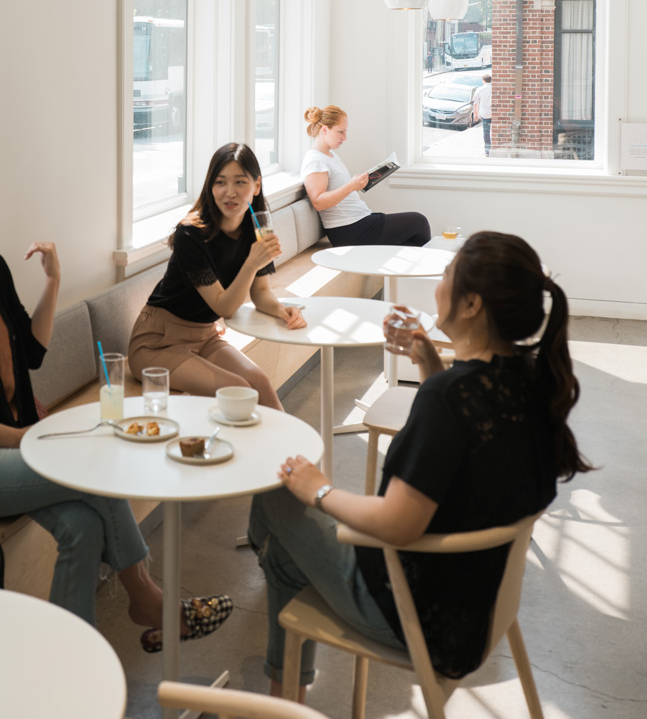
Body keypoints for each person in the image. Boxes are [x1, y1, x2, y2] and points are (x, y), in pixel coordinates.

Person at [0, 155, 232, 649]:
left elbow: (31, 352)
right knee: (96, 472)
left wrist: (52, 281)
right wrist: (17, 438)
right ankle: (148, 598)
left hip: (20, 444)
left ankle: (72, 665)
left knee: (83, 527)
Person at [249, 230, 592, 698]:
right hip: (483, 605)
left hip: (414, 614)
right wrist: (430, 360)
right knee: (288, 553)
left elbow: (396, 525)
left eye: (447, 274)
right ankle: (282, 689)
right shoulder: (529, 380)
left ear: (471, 305)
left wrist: (320, 490)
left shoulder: (447, 398)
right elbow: (465, 434)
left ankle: (282, 696)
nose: (439, 284)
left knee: (276, 493)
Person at [128, 143, 306, 410]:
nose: (229, 192)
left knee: (259, 382)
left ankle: (296, 452)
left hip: (205, 336)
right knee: (240, 391)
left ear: (256, 186)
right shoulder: (190, 234)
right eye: (220, 182)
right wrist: (251, 262)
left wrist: (283, 310)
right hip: (157, 342)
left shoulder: (255, 227)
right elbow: (225, 307)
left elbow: (260, 294)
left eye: (240, 182)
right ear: (210, 186)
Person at [301, 104, 430, 246]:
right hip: (348, 230)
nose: (344, 137)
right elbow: (318, 202)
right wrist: (351, 186)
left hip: (359, 220)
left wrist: (358, 184)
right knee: (419, 221)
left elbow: (338, 191)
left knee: (411, 242)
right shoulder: (315, 160)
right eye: (340, 132)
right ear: (324, 130)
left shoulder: (331, 156)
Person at [472, 73, 493, 156]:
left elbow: (475, 103)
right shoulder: (494, 88)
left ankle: (487, 151)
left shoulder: (480, 89)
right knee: (494, 131)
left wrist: (476, 114)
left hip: (485, 113)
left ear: (483, 81)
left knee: (486, 132)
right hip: (494, 113)